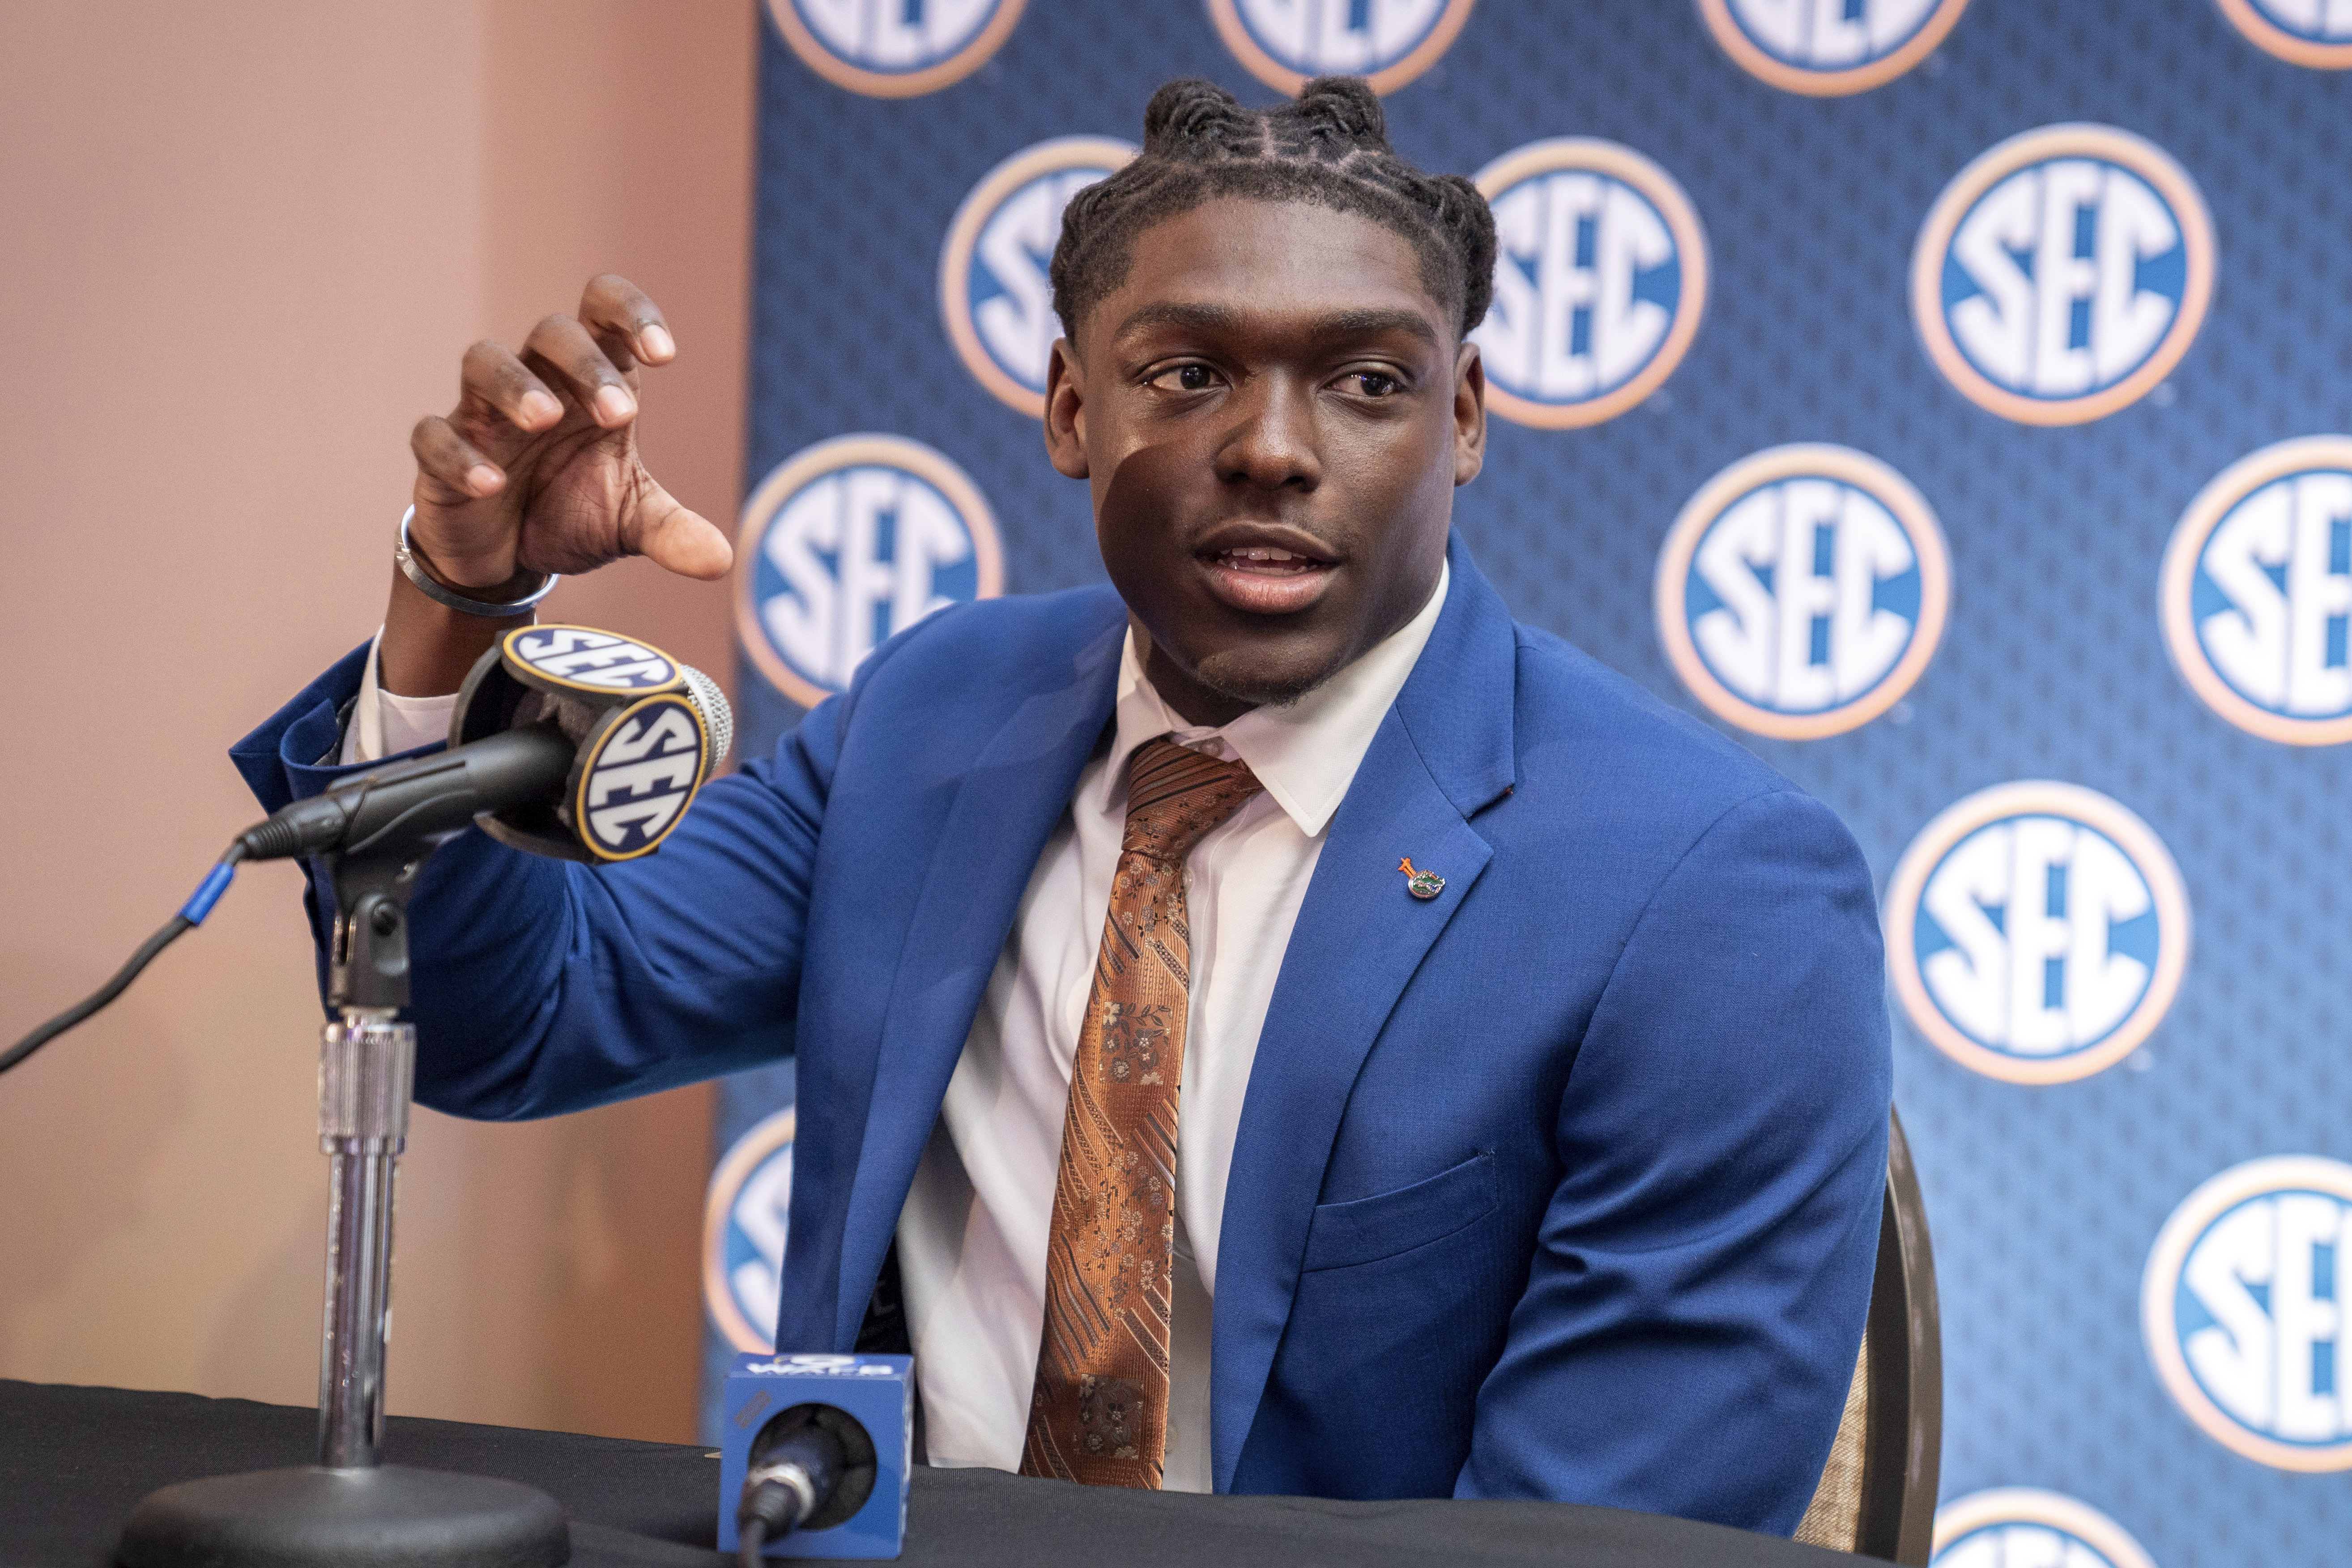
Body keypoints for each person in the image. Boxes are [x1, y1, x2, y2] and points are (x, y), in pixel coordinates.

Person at [234, 77, 1891, 1531]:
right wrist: (458, 603)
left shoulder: (1711, 893)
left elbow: (1587, 1547)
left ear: (1461, 422)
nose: (1272, 449)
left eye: (1369, 384)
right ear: (1068, 409)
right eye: (1185, 374)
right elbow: (506, 1023)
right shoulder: (934, 716)